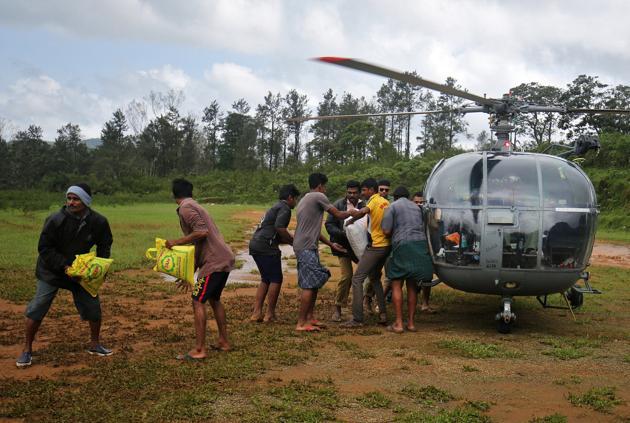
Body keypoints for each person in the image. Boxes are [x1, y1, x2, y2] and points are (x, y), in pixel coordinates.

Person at [16, 183, 113, 368]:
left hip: (80, 271)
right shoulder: (55, 219)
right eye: (69, 198)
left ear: (85, 201)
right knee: (38, 306)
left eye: (75, 199)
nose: (71, 202)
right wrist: (65, 267)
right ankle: (27, 350)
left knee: (93, 306)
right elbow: (44, 248)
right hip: (51, 270)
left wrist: (98, 269)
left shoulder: (98, 221)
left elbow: (105, 244)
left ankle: (95, 344)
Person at [167, 178, 235, 358]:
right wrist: (188, 273)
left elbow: (201, 232)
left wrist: (175, 242)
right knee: (214, 299)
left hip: (214, 262)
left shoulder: (185, 208)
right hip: (222, 258)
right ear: (191, 192)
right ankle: (223, 341)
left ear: (174, 194)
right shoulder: (195, 205)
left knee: (197, 299)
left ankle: (199, 349)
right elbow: (199, 243)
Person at [293, 173, 354, 332]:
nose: (325, 190)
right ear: (320, 186)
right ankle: (301, 323)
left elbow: (313, 231)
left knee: (313, 283)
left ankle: (309, 317)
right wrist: (356, 212)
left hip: (306, 245)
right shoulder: (318, 196)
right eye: (325, 186)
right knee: (309, 285)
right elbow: (339, 214)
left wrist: (331, 244)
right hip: (306, 247)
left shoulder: (304, 199)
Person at [381, 186, 434, 333]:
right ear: (408, 196)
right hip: (420, 245)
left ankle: (398, 323)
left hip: (402, 245)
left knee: (396, 283)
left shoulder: (392, 207)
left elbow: (386, 231)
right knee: (412, 285)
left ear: (395, 197)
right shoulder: (418, 208)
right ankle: (410, 323)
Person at [341, 178, 390, 328]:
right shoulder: (386, 203)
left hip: (376, 246)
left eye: (363, 190)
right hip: (387, 246)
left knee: (357, 279)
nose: (362, 193)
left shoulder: (373, 201)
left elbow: (363, 212)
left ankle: (357, 319)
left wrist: (349, 221)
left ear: (370, 190)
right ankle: (383, 314)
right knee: (375, 278)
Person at [249, 184, 300, 323]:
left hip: (255, 243)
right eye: (295, 199)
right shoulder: (285, 208)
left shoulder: (275, 206)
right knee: (276, 279)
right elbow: (280, 228)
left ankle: (256, 313)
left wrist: (290, 241)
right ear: (290, 197)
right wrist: (294, 242)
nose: (295, 202)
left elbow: (276, 230)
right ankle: (269, 314)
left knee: (265, 278)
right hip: (267, 246)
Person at [325, 180, 365, 322]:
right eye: (349, 192)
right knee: (346, 276)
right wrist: (343, 234)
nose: (352, 195)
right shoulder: (338, 205)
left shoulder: (364, 206)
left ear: (359, 193)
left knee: (373, 275)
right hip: (342, 246)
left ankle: (368, 302)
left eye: (355, 193)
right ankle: (338, 307)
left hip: (360, 248)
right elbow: (329, 224)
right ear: (346, 192)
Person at [364, 179, 392, 311]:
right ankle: (368, 299)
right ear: (377, 190)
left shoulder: (389, 205)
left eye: (387, 190)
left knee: (387, 276)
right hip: (373, 243)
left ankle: (379, 303)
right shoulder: (371, 203)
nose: (384, 192)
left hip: (387, 244)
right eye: (382, 189)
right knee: (374, 275)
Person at [412, 191, 435, 313]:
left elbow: (434, 227)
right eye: (416, 202)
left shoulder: (427, 214)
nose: (419, 205)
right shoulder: (408, 215)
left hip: (425, 247)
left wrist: (429, 215)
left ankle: (425, 303)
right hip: (412, 247)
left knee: (427, 276)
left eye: (421, 202)